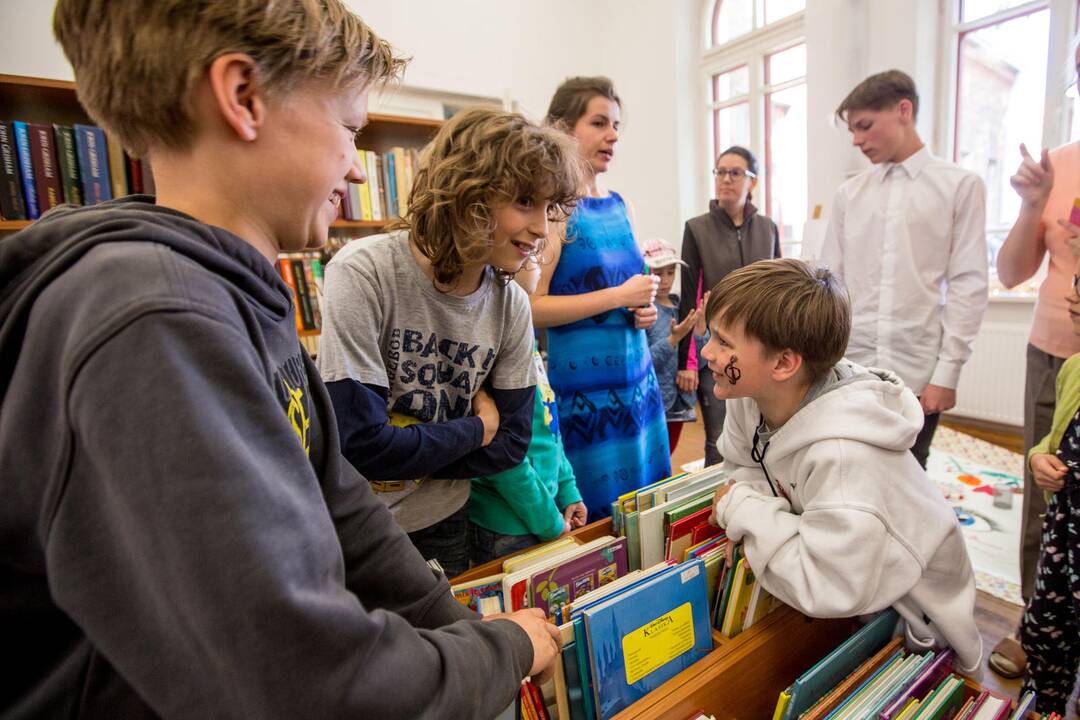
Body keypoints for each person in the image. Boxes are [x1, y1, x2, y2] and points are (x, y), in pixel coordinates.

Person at [0, 2, 562, 717]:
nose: (359, 172)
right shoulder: (157, 321)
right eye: (349, 128)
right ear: (242, 98)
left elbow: (344, 507)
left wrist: (461, 628)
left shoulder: (235, 296)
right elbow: (303, 680)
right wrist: (501, 652)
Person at [317, 107, 582, 578]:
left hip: (446, 521)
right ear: (469, 192)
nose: (542, 228)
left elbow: (512, 445)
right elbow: (358, 444)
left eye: (548, 209)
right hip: (360, 522)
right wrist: (476, 431)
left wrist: (403, 448)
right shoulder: (363, 272)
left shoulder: (511, 305)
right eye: (524, 201)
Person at [705, 258, 983, 676]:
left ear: (783, 364)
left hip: (915, 629)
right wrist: (754, 505)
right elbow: (743, 466)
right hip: (853, 594)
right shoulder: (750, 395)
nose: (707, 352)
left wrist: (740, 509)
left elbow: (824, 585)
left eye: (724, 343)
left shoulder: (843, 458)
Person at [821, 69, 988, 469]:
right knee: (848, 468)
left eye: (865, 126)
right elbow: (828, 281)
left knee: (909, 477)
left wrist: (947, 373)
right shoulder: (849, 194)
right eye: (853, 132)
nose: (858, 140)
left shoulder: (959, 186)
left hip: (918, 367)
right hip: (851, 367)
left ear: (903, 110)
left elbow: (968, 284)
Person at [530, 76, 671, 520]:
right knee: (601, 524)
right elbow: (532, 307)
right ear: (562, 127)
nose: (613, 135)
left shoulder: (619, 204)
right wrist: (616, 296)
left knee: (648, 515)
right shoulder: (556, 208)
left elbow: (629, 293)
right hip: (587, 396)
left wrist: (642, 309)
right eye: (599, 123)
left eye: (616, 125)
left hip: (637, 385)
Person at [987, 43, 1080, 678]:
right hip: (1053, 353)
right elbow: (1014, 271)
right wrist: (1031, 204)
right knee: (1044, 491)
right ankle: (1036, 624)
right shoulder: (1060, 166)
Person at [678, 145, 780, 466]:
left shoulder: (768, 228)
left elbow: (779, 293)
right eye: (720, 172)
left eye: (735, 173)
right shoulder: (697, 229)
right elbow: (688, 298)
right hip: (717, 347)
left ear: (752, 182)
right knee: (719, 440)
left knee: (767, 434)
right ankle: (715, 508)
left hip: (762, 348)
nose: (725, 179)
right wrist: (687, 361)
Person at [1019, 259, 1080, 715]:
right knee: (1046, 633)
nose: (1073, 296)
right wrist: (1039, 457)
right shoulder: (1074, 368)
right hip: (1063, 539)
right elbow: (1052, 438)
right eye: (1076, 283)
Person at [468, 338, 588, 565]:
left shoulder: (525, 338)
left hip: (542, 512)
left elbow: (547, 424)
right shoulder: (495, 345)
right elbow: (501, 460)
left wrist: (566, 488)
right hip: (508, 526)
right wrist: (549, 523)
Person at [642, 238, 705, 455]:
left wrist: (700, 330)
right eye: (659, 273)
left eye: (671, 272)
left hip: (680, 403)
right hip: (654, 402)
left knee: (668, 455)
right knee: (654, 457)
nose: (666, 280)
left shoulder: (681, 307)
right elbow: (643, 361)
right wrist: (672, 340)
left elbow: (699, 361)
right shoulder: (645, 313)